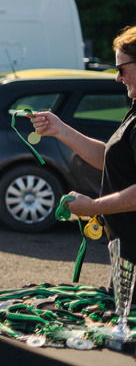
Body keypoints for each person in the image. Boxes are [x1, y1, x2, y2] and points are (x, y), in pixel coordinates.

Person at [32, 25, 136, 262]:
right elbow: (111, 160)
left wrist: (92, 207)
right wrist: (60, 130)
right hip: (126, 248)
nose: (118, 77)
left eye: (121, 69)